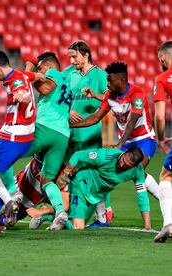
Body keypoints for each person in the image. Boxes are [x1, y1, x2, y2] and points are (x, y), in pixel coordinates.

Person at [70, 61, 157, 229]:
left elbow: (131, 121)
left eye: (110, 80)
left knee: (137, 172)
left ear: (122, 80)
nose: (107, 84)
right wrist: (70, 126)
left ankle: (166, 206)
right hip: (125, 142)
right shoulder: (110, 95)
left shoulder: (137, 93)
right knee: (108, 170)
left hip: (144, 139)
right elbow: (95, 118)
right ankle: (102, 218)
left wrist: (119, 145)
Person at [0, 51, 42, 229]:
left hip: (13, 136)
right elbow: (37, 75)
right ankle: (9, 201)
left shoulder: (15, 80)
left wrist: (23, 97)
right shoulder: (22, 74)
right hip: (23, 136)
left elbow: (22, 92)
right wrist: (43, 75)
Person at [65, 40, 114, 226]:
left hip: (91, 134)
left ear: (85, 55)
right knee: (71, 173)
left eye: (74, 56)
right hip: (72, 134)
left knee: (95, 173)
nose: (71, 60)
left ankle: (106, 212)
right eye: (69, 56)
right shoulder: (70, 75)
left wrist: (95, 95)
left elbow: (111, 98)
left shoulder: (100, 75)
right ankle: (69, 211)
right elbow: (61, 99)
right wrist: (68, 110)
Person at [23, 51, 72, 230]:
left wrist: (30, 75)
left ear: (50, 67)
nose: (39, 71)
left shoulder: (53, 73)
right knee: (47, 180)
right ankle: (60, 212)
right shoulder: (67, 81)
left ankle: (8, 199)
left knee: (13, 151)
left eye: (40, 68)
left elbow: (44, 88)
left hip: (45, 127)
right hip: (63, 135)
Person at [57, 147, 149, 230]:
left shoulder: (138, 170)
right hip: (81, 185)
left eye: (127, 166)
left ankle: (52, 217)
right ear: (124, 152)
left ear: (134, 166)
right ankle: (60, 219)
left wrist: (147, 225)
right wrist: (64, 175)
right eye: (123, 160)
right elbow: (78, 155)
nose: (121, 165)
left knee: (76, 219)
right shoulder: (106, 155)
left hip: (95, 197)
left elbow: (142, 195)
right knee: (78, 227)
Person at [153, 41, 172, 242]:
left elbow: (159, 116)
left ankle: (168, 224)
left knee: (166, 176)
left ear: (162, 57)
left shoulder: (163, 78)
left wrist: (160, 138)